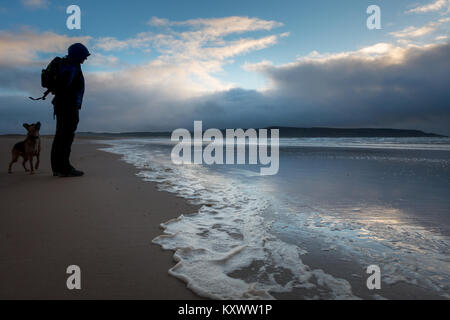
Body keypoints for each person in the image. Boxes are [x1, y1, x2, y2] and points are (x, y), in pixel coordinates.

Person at [51, 43, 90, 177]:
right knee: (66, 137)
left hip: (63, 105)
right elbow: (65, 86)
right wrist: (73, 101)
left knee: (61, 136)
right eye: (84, 56)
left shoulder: (69, 64)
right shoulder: (71, 66)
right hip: (67, 106)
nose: (85, 59)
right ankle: (64, 168)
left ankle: (57, 168)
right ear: (77, 55)